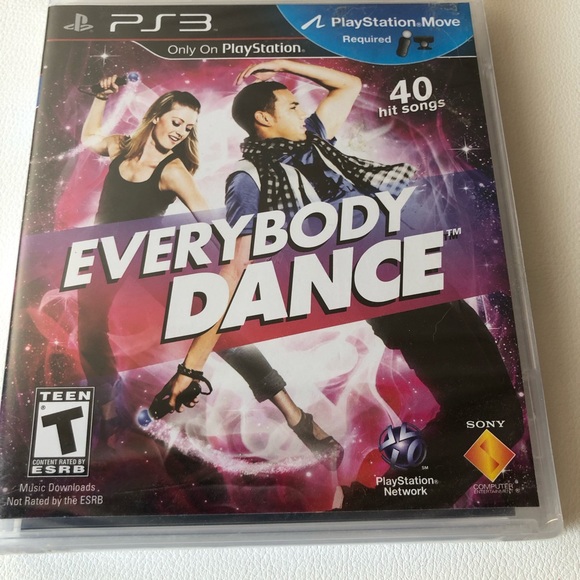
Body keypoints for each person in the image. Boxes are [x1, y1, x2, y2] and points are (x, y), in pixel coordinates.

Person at [166, 59, 525, 508]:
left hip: (419, 275)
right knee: (497, 415)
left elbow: (348, 85)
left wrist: (284, 64)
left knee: (494, 417)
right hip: (391, 294)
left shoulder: (314, 141)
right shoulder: (247, 180)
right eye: (291, 106)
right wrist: (192, 366)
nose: (302, 111)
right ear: (264, 118)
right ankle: (388, 506)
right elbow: (235, 268)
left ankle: (396, 502)